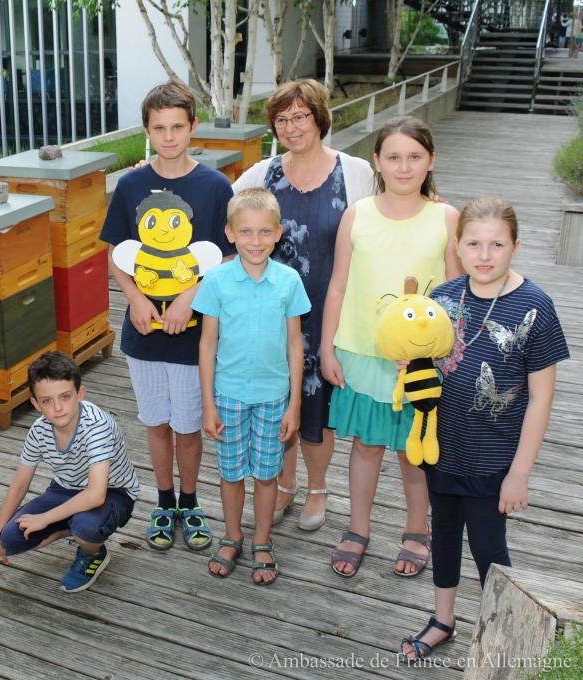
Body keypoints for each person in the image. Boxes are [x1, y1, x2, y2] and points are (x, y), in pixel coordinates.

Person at [400, 197, 568, 661]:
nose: (485, 254)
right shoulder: (443, 299)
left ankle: (507, 632)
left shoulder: (535, 306)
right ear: (458, 246)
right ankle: (443, 619)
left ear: (516, 246)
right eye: (474, 243)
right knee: (446, 533)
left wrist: (520, 473)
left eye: (497, 244)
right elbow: (424, 368)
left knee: (490, 549)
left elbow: (541, 398)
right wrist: (409, 364)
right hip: (443, 447)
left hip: (494, 458)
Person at [321, 116, 462, 578]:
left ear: (432, 160)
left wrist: (444, 354)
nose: (404, 167)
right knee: (365, 445)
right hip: (364, 353)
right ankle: (358, 528)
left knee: (412, 449)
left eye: (415, 157)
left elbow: (458, 295)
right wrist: (328, 347)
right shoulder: (356, 215)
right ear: (377, 162)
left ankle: (416, 530)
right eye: (394, 157)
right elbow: (339, 286)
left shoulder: (445, 217)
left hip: (423, 360)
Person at [232, 79, 375, 532]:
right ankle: (286, 483)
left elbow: (390, 211)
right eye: (282, 119)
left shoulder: (353, 172)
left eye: (300, 116)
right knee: (280, 399)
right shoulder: (263, 174)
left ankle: (317, 487)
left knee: (320, 407)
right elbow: (226, 210)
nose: (291, 127)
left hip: (331, 310)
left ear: (319, 117)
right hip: (274, 315)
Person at [100, 80, 233, 553]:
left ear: (193, 126)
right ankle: (163, 500)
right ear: (147, 131)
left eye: (178, 127)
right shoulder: (131, 184)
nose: (170, 136)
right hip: (143, 334)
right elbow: (118, 253)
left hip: (195, 335)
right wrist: (134, 299)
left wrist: (188, 299)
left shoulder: (216, 186)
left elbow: (227, 256)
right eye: (160, 128)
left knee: (188, 427)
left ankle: (190, 501)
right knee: (156, 423)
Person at [194, 188, 309, 584]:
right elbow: (207, 343)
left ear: (278, 233)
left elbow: (296, 344)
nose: (255, 241)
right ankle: (232, 536)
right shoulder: (217, 281)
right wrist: (207, 403)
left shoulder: (289, 281)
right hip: (227, 395)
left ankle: (262, 540)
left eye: (264, 232)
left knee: (265, 474)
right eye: (246, 232)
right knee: (230, 473)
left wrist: (294, 405)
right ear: (230, 233)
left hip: (274, 397)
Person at [0, 351, 139, 592]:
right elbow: (20, 484)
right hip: (65, 488)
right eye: (47, 401)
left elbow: (96, 495)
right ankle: (68, 525)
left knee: (86, 527)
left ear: (80, 394)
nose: (58, 408)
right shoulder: (38, 430)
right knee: (10, 539)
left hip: (113, 492)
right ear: (34, 403)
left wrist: (45, 518)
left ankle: (92, 553)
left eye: (65, 397)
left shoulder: (97, 426)